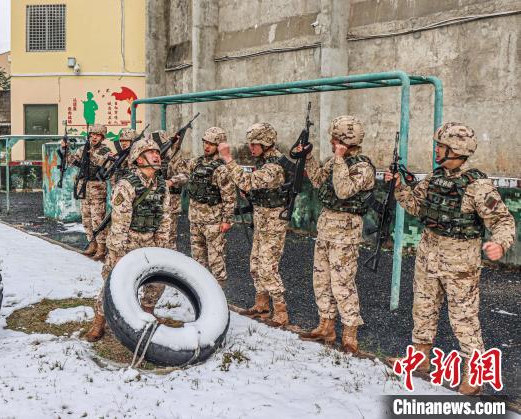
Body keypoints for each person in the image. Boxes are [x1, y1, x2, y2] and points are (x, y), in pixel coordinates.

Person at [385, 122, 515, 395]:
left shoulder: (478, 186)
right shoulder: (434, 178)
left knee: (464, 319)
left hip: (460, 265)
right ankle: (420, 360)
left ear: (455, 150)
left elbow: (503, 220)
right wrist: (398, 187)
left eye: (441, 146)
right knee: (422, 310)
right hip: (428, 257)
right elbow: (416, 206)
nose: (436, 150)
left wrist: (500, 244)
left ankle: (475, 373)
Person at [296, 116, 375, 354]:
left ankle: (350, 334)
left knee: (342, 284)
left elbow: (343, 191)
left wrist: (339, 159)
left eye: (334, 138)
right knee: (321, 280)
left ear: (344, 141)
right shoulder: (335, 161)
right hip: (327, 227)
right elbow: (319, 180)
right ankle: (326, 326)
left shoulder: (363, 167)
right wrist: (307, 157)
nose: (330, 141)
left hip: (346, 231)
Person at [85, 138, 172, 342]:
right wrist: (116, 252)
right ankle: (99, 322)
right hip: (128, 241)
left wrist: (162, 245)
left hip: (151, 240)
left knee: (156, 281)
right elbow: (120, 223)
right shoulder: (126, 185)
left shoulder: (161, 185)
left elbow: (165, 216)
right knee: (112, 282)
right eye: (150, 153)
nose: (156, 155)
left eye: (157, 152)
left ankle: (147, 314)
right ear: (139, 160)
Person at [217, 122, 297, 330]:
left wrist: (228, 159)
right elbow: (253, 186)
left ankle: (281, 311)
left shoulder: (274, 166)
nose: (251, 148)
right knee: (255, 264)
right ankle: (261, 305)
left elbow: (247, 181)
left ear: (266, 143)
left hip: (273, 221)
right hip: (262, 218)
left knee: (268, 267)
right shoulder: (264, 162)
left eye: (255, 144)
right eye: (251, 144)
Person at [169, 127, 236, 286]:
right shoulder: (196, 162)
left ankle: (220, 296)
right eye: (205, 142)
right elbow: (179, 167)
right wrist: (175, 146)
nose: (207, 146)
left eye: (211, 144)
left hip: (213, 222)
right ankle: (202, 293)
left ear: (218, 146)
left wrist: (226, 220)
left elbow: (229, 196)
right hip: (195, 219)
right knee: (198, 260)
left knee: (216, 260)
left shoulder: (222, 168)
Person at [61, 124, 112, 261]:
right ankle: (92, 244)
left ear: (102, 137)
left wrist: (92, 155)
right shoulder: (84, 148)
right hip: (84, 186)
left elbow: (105, 163)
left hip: (97, 187)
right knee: (86, 218)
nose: (94, 137)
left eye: (97, 135)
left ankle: (101, 248)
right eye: (92, 135)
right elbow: (72, 162)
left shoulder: (105, 150)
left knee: (97, 219)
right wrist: (65, 150)